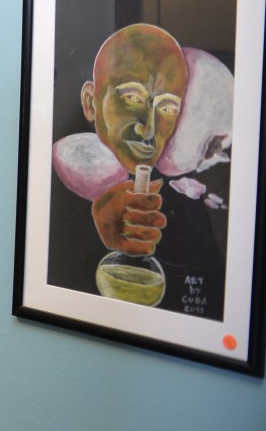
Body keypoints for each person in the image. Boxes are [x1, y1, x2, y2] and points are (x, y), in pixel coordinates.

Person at [50, 22, 225, 317]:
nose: (149, 128)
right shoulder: (52, 183)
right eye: (132, 98)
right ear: (90, 102)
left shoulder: (188, 210)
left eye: (167, 108)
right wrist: (92, 223)